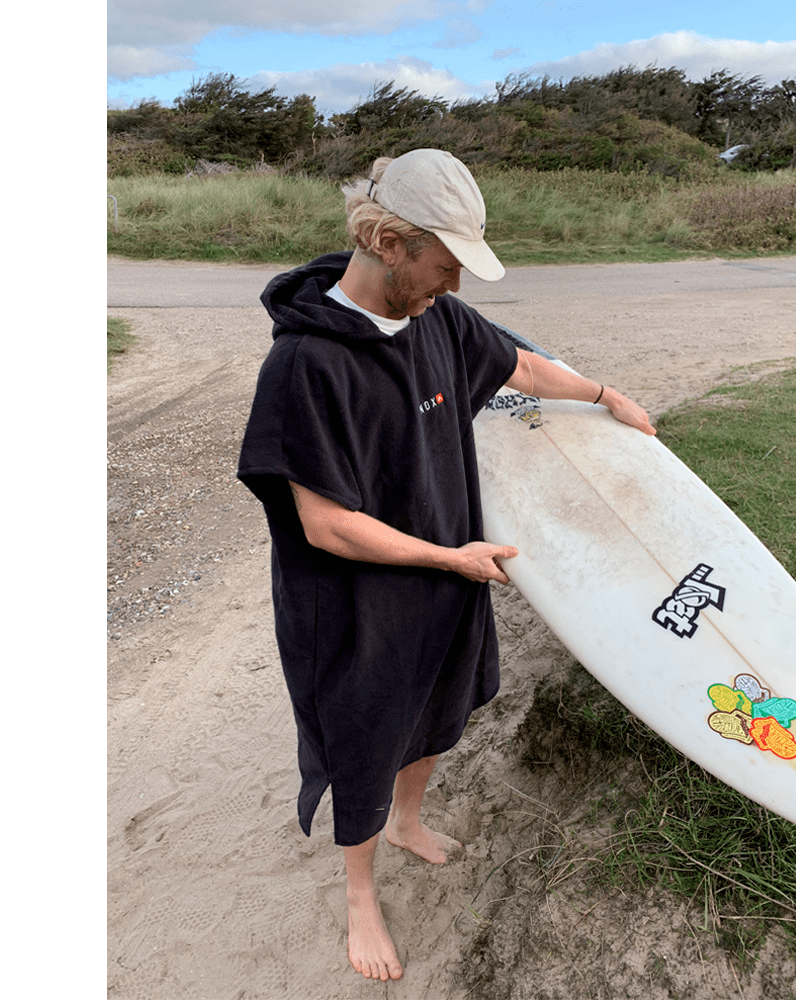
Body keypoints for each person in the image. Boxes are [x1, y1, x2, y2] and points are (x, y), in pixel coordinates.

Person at [237, 148, 655, 982]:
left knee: (436, 707)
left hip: (446, 573)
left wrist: (604, 394)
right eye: (445, 264)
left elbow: (519, 365)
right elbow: (327, 526)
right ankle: (361, 893)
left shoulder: (440, 320)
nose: (455, 284)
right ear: (388, 242)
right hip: (354, 602)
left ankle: (407, 821)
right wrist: (448, 557)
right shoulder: (305, 367)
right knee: (364, 738)